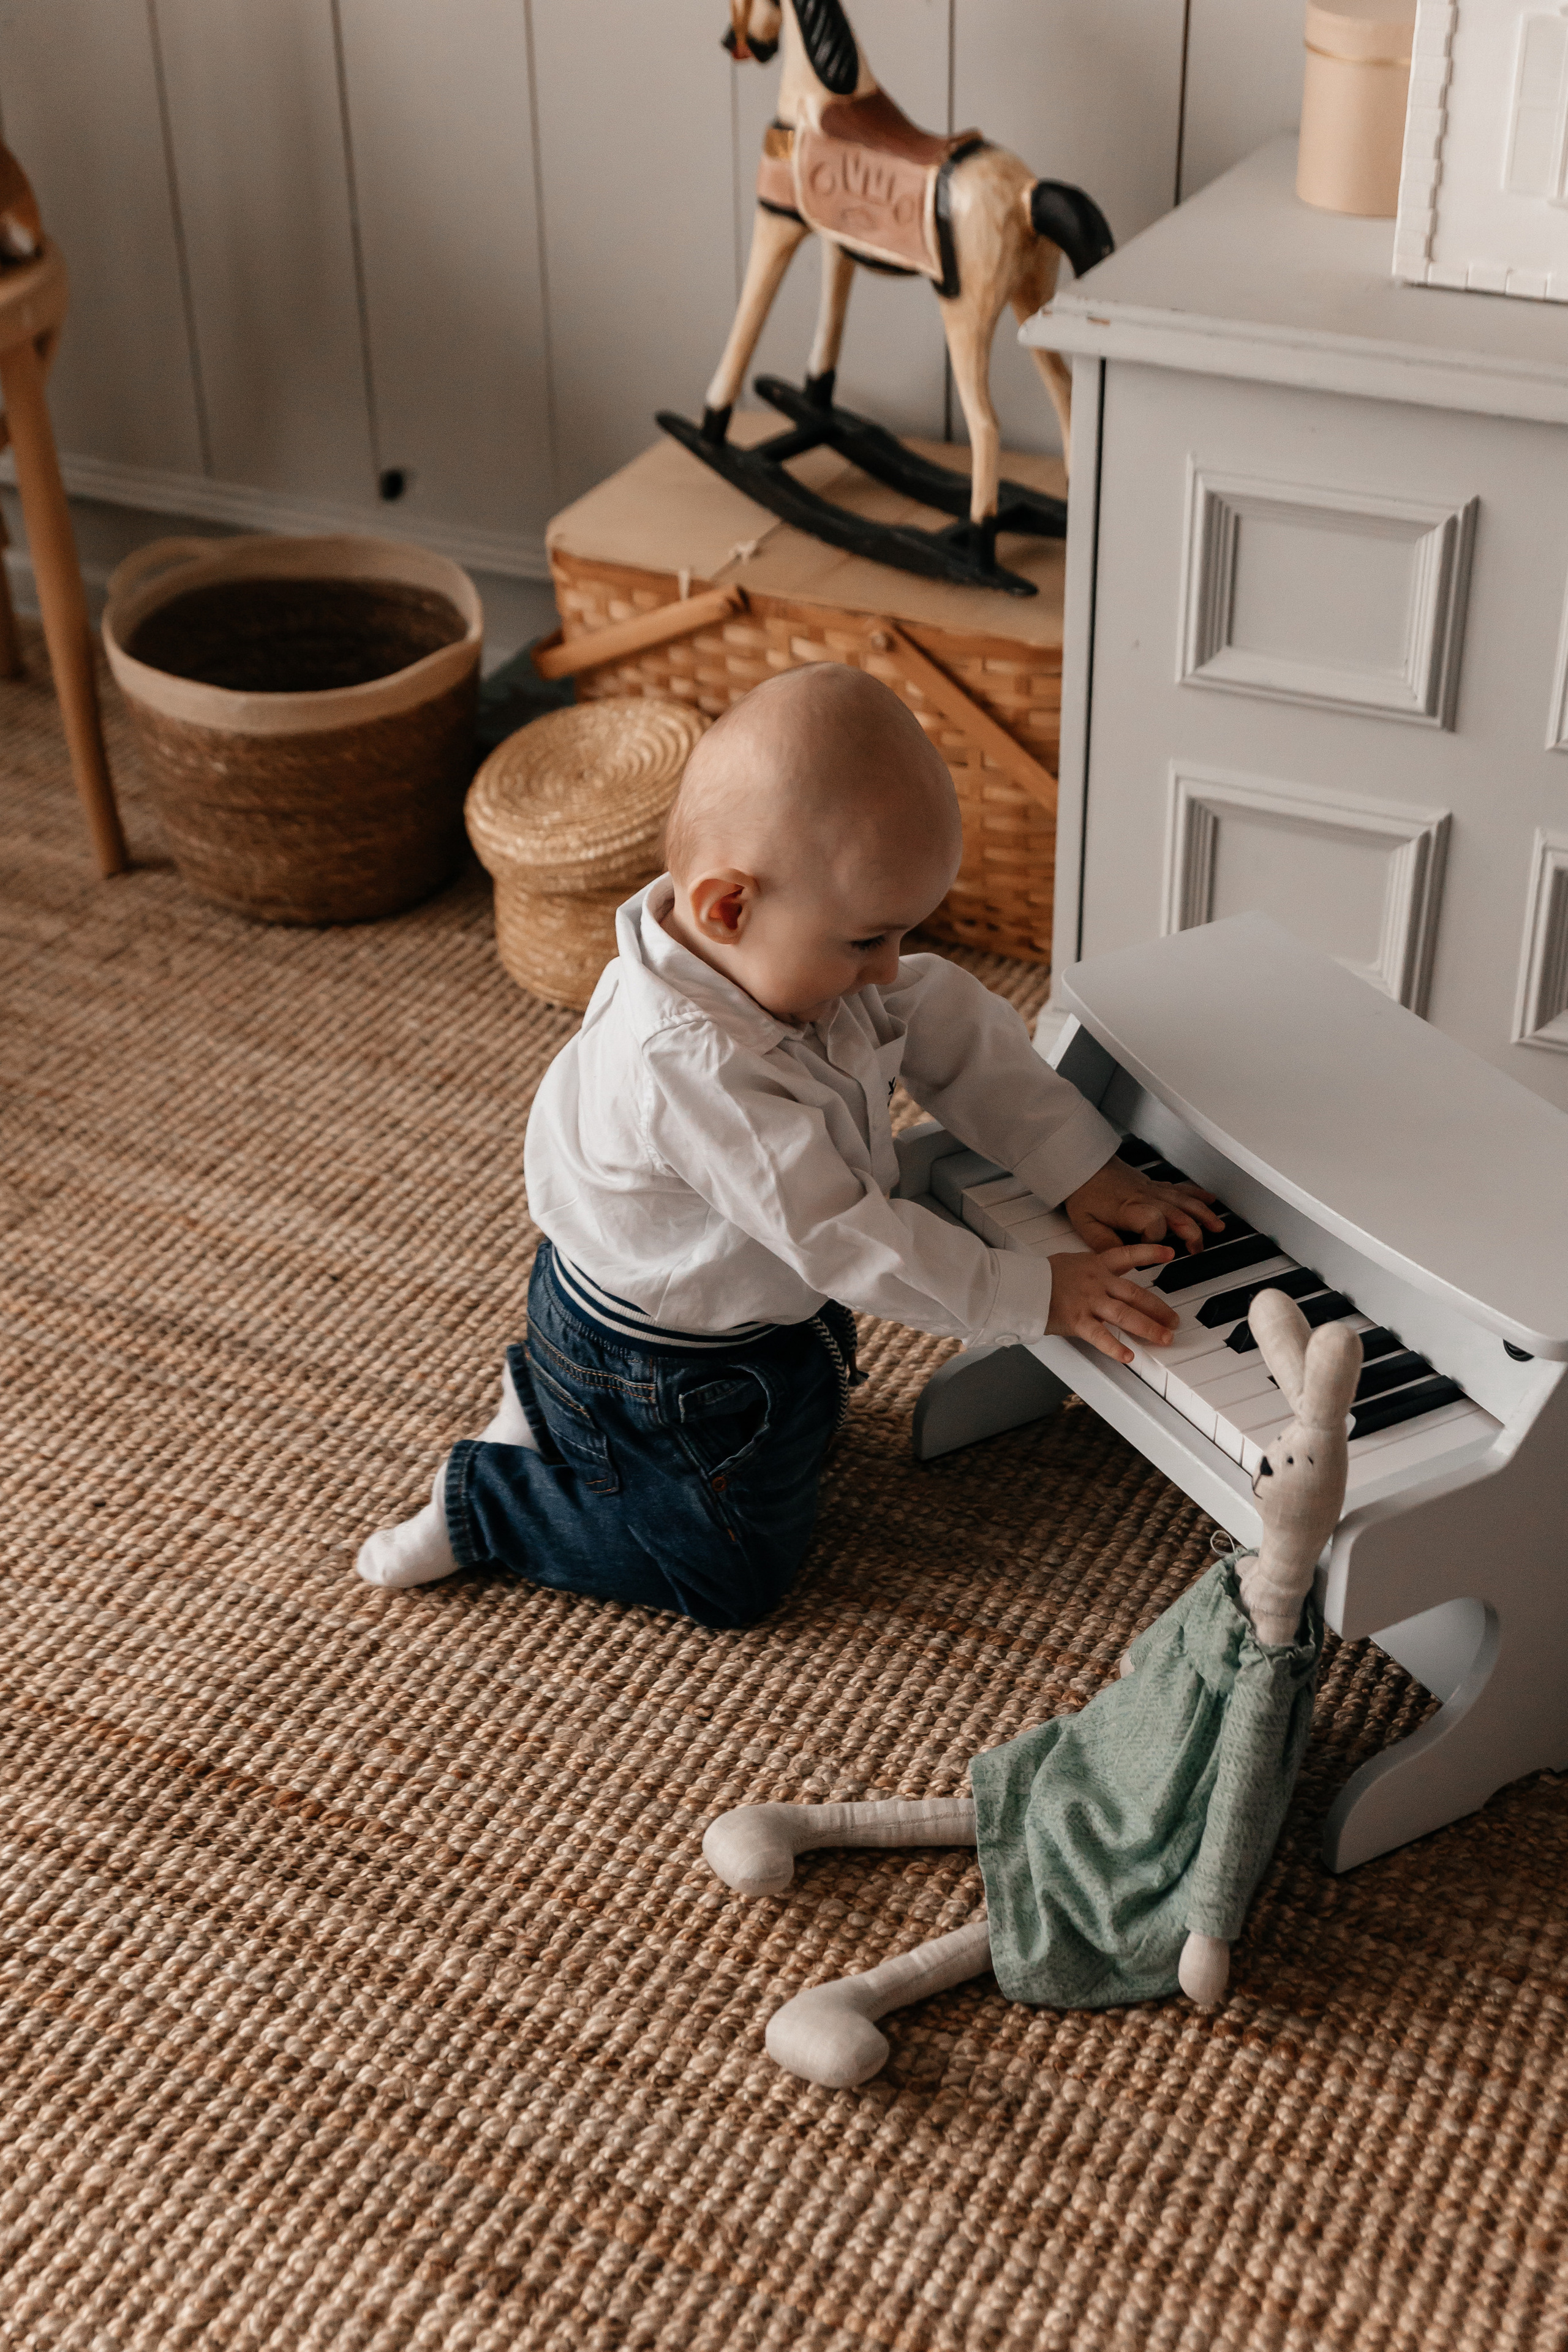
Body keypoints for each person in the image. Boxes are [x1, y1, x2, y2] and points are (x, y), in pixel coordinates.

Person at [356, 664, 1221, 1623]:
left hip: (743, 1315)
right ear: (728, 907)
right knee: (733, 1577)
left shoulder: (770, 956)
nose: (890, 970)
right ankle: (492, 1497)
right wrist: (1035, 1295)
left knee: (804, 1437)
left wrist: (1083, 1169)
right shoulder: (696, 1069)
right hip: (659, 1367)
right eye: (867, 941)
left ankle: (552, 1412)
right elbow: (848, 1236)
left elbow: (952, 1025)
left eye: (900, 937)